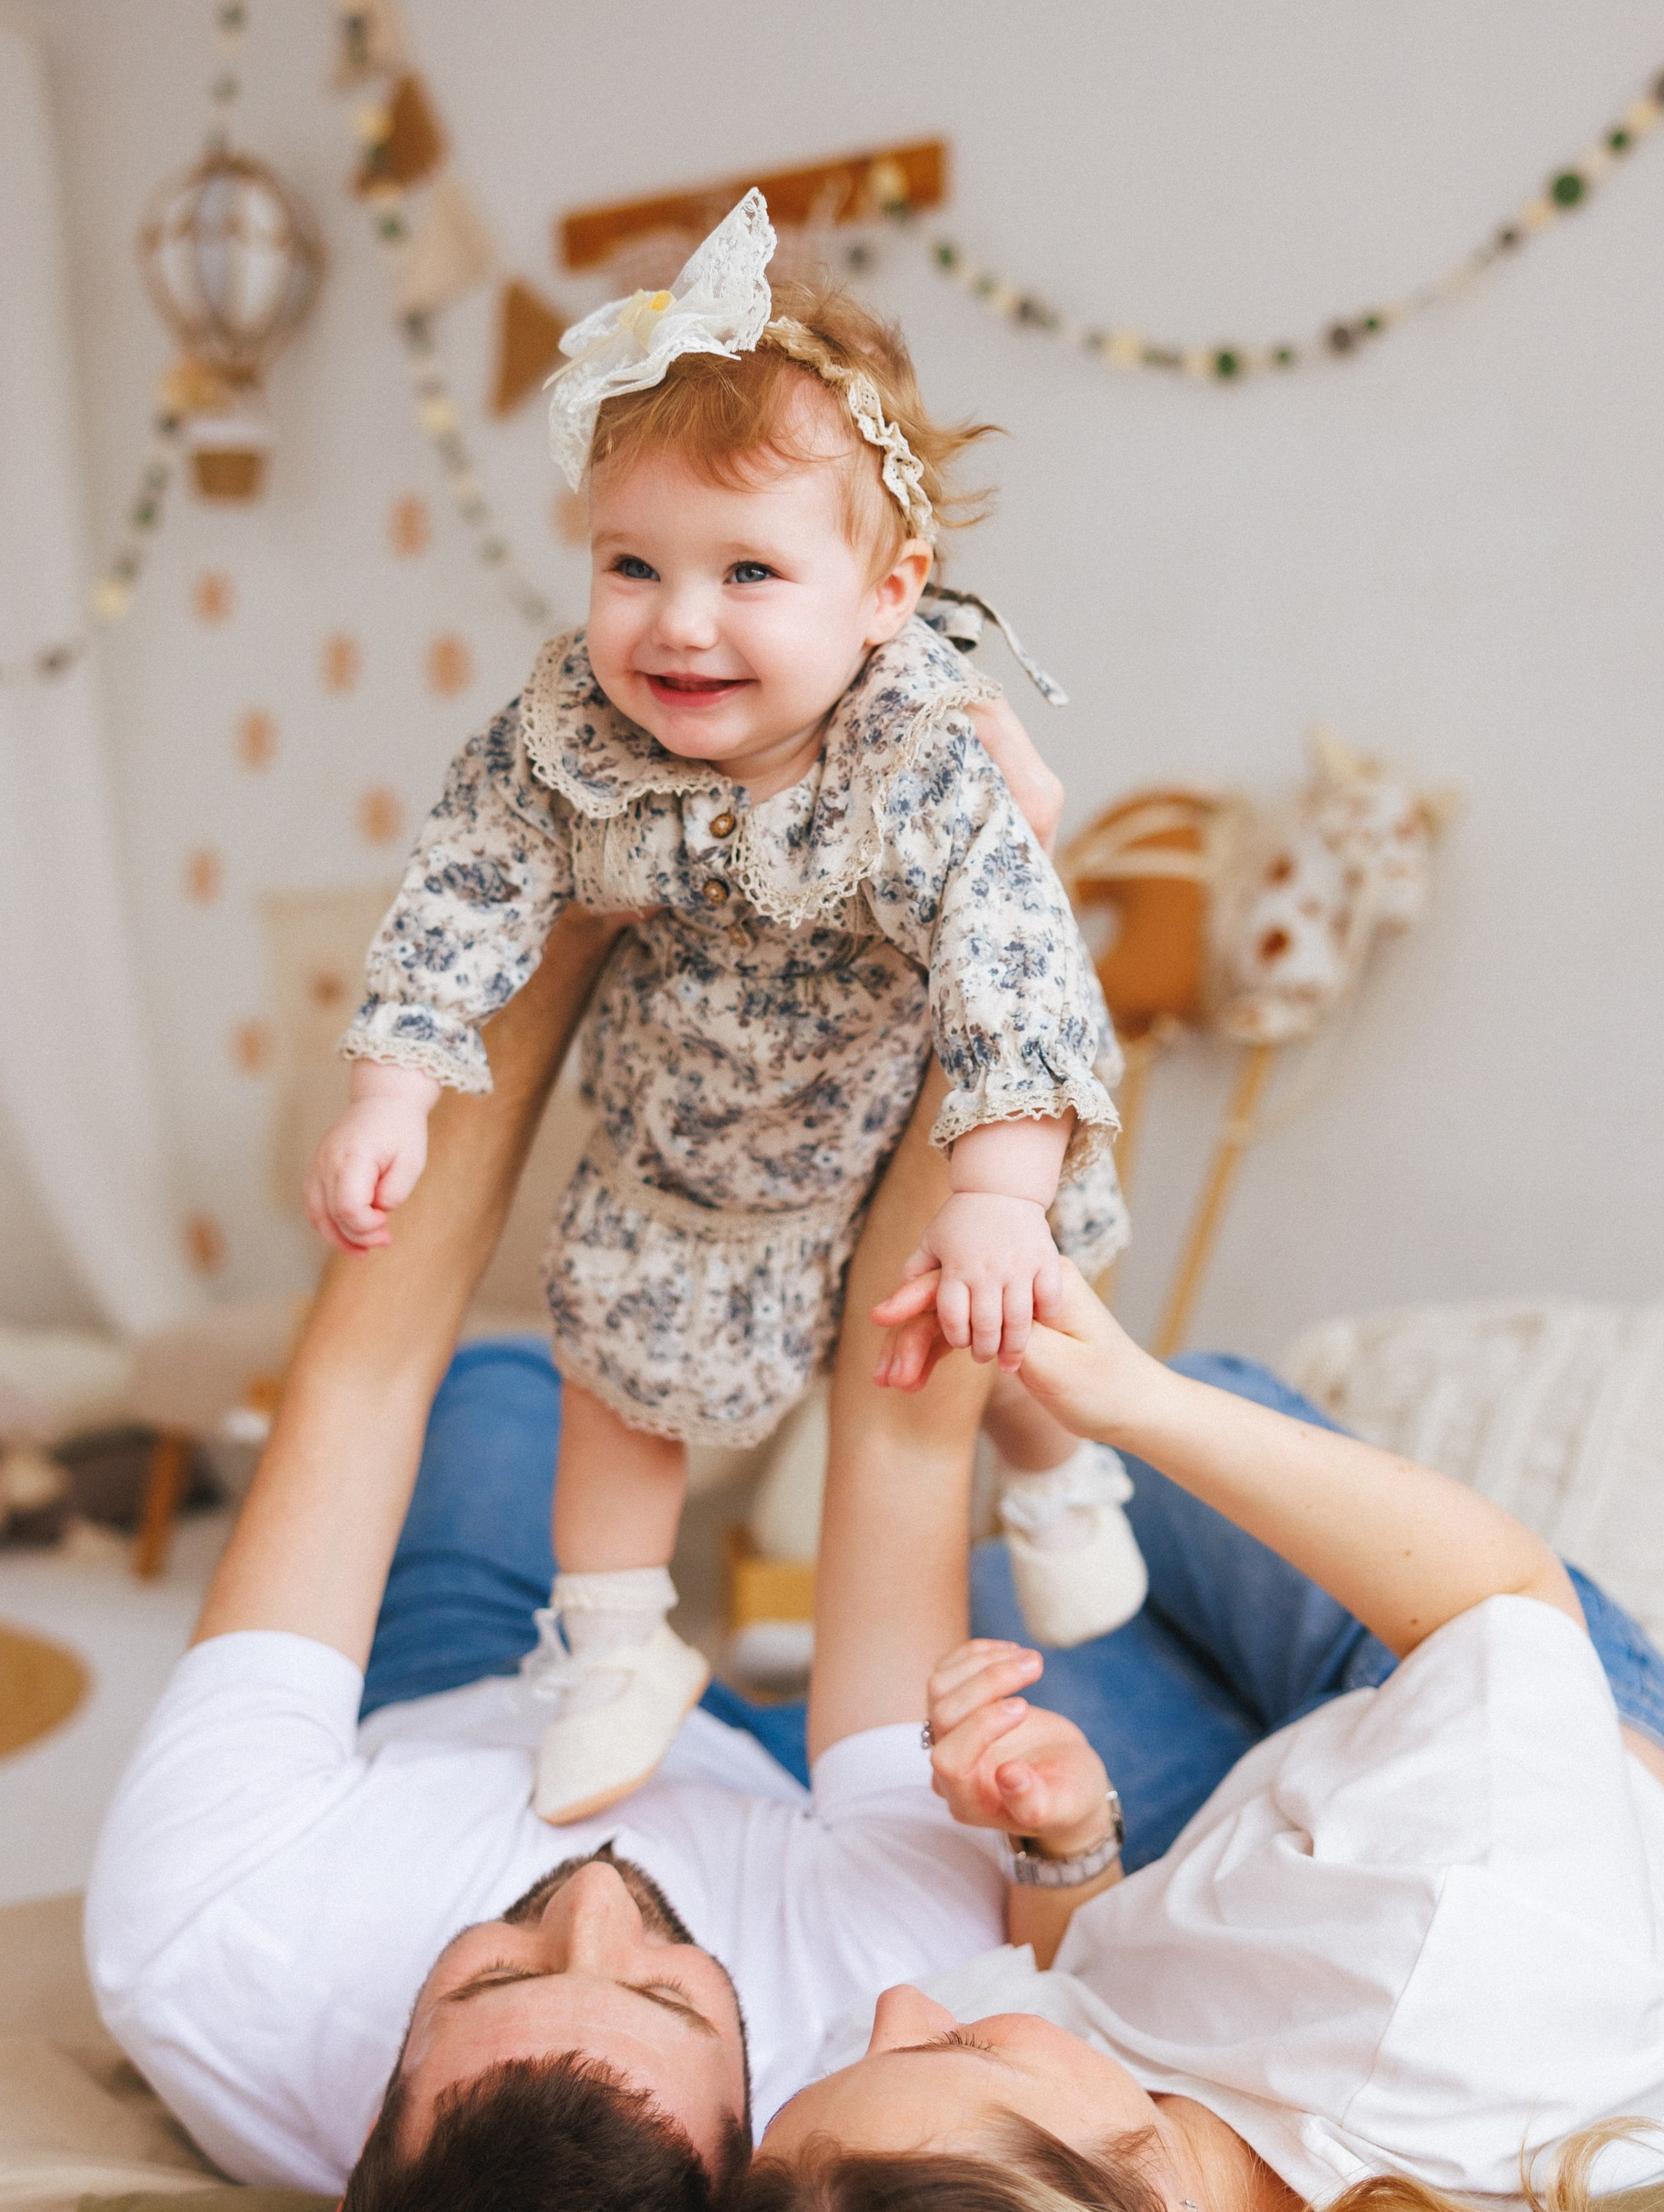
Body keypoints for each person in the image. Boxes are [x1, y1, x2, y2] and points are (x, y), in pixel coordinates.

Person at [87, 921, 1118, 2212]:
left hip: (441, 1700)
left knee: (504, 1381)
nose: (592, 1898)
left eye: (494, 1972)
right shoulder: (869, 2009)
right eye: (671, 1996)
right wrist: (975, 931)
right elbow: (898, 1440)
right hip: (766, 1790)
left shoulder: (198, 1937)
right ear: (764, 2137)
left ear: (353, 2157)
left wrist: (566, 901)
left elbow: (363, 1375)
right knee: (1073, 1609)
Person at [685, 1265, 1664, 2212]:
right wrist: (1134, 1399)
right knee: (1188, 1420)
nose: (899, 2003)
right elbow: (1497, 1593)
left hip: (1286, 1831)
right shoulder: (1460, 1956)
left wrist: (1066, 1851)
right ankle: (1073, 1443)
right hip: (1514, 1710)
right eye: (955, 2048)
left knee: (1025, 1593)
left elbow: (1086, 1994)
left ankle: (1061, 1482)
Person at [303, 186, 1141, 1827]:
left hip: (911, 1128)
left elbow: (1017, 965)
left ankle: (1054, 1470)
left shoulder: (924, 761)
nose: (677, 621)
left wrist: (998, 1193)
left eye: (747, 568)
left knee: (995, 1313)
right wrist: (397, 1081)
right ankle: (615, 1639)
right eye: (634, 563)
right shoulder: (574, 740)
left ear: (885, 591)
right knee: (614, 1378)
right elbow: (467, 876)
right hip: (688, 1155)